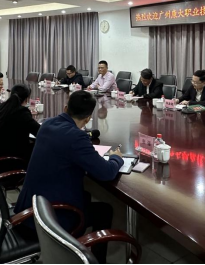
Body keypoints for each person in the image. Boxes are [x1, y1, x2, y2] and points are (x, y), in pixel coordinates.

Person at [14, 91, 123, 264]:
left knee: (85, 196)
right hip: (48, 219)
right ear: (88, 118)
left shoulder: (47, 124)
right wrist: (116, 158)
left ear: (65, 108)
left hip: (28, 209)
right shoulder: (76, 137)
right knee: (104, 210)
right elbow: (106, 173)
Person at [0, 84, 40, 162]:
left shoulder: (2, 107)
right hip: (5, 161)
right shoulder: (22, 112)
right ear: (27, 99)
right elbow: (39, 131)